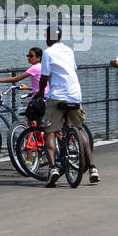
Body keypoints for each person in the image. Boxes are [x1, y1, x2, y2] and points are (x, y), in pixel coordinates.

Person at [35, 26, 98, 185]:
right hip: (75, 94)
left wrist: (41, 92)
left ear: (49, 37)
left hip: (57, 96)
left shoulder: (48, 52)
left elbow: (44, 77)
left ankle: (52, 168)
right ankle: (92, 168)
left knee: (50, 130)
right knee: (79, 128)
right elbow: (72, 70)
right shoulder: (69, 50)